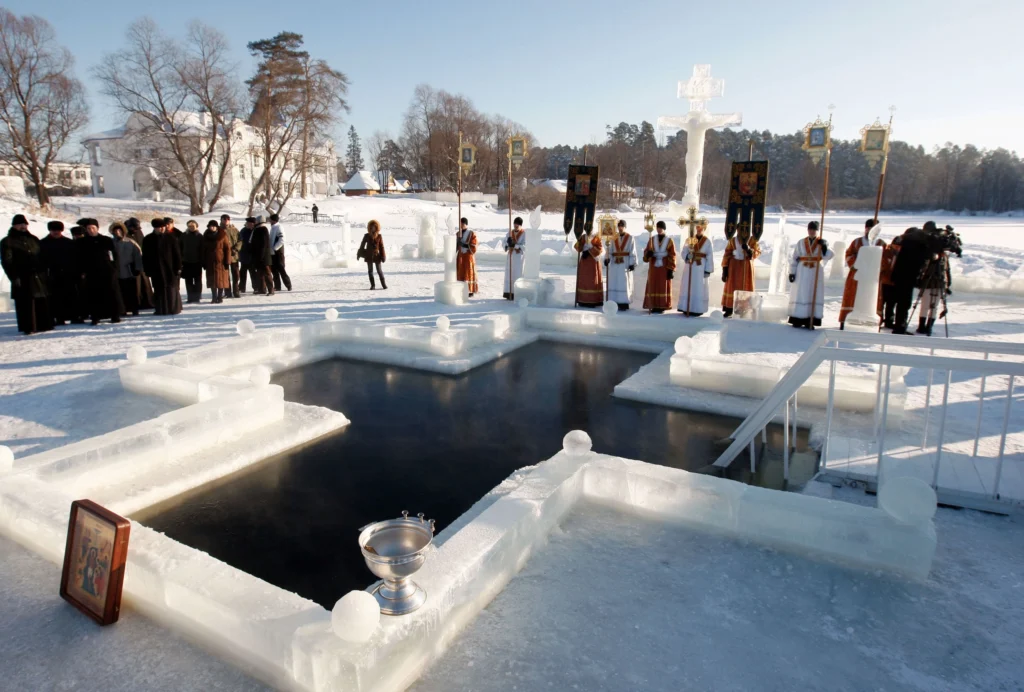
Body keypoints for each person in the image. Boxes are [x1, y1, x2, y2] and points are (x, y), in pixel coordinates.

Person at [1, 213, 52, 334]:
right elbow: (7, 261)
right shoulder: (7, 241)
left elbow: (42, 255)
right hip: (21, 276)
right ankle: (28, 327)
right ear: (14, 226)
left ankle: (43, 325)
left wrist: (44, 270)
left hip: (38, 275)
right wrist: (13, 276)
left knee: (40, 299)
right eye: (19, 224)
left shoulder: (33, 239)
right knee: (26, 302)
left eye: (24, 224)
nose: (22, 226)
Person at [838, 219, 886, 329]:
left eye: (873, 229)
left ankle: (870, 321)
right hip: (857, 274)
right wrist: (857, 264)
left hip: (872, 277)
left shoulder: (881, 244)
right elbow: (849, 254)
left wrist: (877, 267)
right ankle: (846, 319)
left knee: (870, 297)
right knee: (853, 296)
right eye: (868, 228)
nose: (870, 231)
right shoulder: (857, 242)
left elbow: (884, 260)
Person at [76, 217, 124, 325]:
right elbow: (79, 258)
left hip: (107, 272)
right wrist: (82, 271)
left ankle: (114, 315)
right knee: (94, 295)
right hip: (91, 273)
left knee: (111, 294)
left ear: (97, 228)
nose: (91, 230)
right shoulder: (81, 242)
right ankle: (95, 317)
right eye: (88, 228)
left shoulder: (106, 240)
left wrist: (114, 269)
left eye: (93, 228)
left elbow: (113, 256)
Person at [787, 221, 833, 328]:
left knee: (813, 292)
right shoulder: (801, 242)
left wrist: (825, 247)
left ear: (817, 231)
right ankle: (797, 318)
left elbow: (829, 255)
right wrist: (792, 272)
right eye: (810, 229)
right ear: (808, 230)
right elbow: (794, 257)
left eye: (814, 230)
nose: (812, 231)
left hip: (815, 269)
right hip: (802, 270)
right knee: (801, 293)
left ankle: (811, 319)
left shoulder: (821, 242)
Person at [890, 226, 933, 335]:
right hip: (908, 278)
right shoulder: (919, 246)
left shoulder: (905, 244)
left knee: (900, 303)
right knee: (904, 303)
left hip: (899, 276)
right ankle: (900, 328)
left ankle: (899, 325)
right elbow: (928, 256)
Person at [40, 221, 80, 325]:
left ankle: (74, 316)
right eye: (53, 230)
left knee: (71, 296)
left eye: (58, 230)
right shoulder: (43, 243)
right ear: (50, 230)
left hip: (68, 274)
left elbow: (75, 259)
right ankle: (59, 318)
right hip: (52, 274)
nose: (56, 232)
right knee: (55, 298)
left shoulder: (69, 243)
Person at [142, 218, 182, 315]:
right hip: (156, 269)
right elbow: (145, 256)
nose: (163, 229)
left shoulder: (171, 238)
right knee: (159, 289)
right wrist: (147, 269)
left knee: (171, 288)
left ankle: (173, 308)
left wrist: (178, 267)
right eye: (160, 227)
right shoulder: (148, 239)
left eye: (163, 227)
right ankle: (161, 309)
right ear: (155, 228)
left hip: (170, 268)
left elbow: (177, 254)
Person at [677, 222, 715, 317]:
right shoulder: (690, 240)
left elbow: (710, 256)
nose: (699, 230)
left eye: (701, 228)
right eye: (697, 228)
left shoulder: (707, 241)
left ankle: (697, 308)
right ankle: (686, 307)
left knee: (698, 287)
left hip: (700, 266)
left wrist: (708, 269)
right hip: (690, 265)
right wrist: (687, 255)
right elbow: (684, 251)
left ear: (704, 229)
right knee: (688, 286)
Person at [721, 225, 760, 317]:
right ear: (737, 230)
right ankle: (729, 308)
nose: (742, 231)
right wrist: (725, 270)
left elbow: (757, 252)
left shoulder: (752, 240)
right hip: (734, 267)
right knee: (732, 286)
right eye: (740, 229)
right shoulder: (732, 240)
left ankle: (744, 308)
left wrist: (749, 250)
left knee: (746, 286)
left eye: (745, 229)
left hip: (746, 266)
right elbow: (727, 254)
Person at [642, 221, 676, 313]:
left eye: (661, 227)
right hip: (653, 265)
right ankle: (652, 304)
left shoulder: (669, 240)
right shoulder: (652, 239)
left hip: (664, 266)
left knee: (662, 285)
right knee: (653, 283)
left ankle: (662, 305)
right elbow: (646, 252)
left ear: (664, 229)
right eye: (658, 227)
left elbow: (672, 255)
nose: (659, 229)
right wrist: (648, 254)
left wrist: (671, 269)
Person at [110, 222, 143, 316]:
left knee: (132, 292)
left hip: (129, 271)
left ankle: (134, 309)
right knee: (120, 292)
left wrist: (138, 268)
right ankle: (122, 309)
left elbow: (138, 255)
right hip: (117, 272)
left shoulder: (130, 242)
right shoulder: (111, 244)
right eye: (115, 231)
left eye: (119, 230)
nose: (117, 232)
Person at [601, 220, 636, 310]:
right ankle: (614, 301)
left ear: (625, 227)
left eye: (622, 226)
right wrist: (607, 258)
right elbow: (610, 250)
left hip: (625, 263)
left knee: (623, 282)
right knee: (614, 281)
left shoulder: (630, 238)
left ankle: (624, 303)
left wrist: (632, 263)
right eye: (619, 226)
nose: (620, 228)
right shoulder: (613, 238)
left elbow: (633, 251)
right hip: (614, 263)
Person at [124, 217, 154, 310]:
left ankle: (148, 302)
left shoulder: (139, 233)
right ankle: (137, 303)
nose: (136, 230)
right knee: (135, 284)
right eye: (134, 228)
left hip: (141, 260)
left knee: (145, 282)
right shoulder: (125, 235)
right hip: (131, 262)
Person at [573, 224, 603, 308]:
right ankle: (583, 300)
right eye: (586, 229)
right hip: (584, 261)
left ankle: (593, 301)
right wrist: (579, 242)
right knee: (584, 279)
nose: (588, 230)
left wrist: (589, 251)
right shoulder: (583, 237)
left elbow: (600, 248)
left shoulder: (596, 237)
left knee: (592, 280)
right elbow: (577, 247)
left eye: (590, 228)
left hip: (593, 261)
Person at [202, 220, 231, 303]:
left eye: (214, 226)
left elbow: (227, 249)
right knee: (212, 279)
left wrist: (227, 261)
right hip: (210, 261)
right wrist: (203, 261)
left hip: (221, 261)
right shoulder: (206, 236)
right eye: (210, 226)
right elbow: (203, 249)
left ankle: (220, 296)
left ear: (217, 227)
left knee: (221, 279)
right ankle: (214, 297)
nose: (212, 228)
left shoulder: (222, 235)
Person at [357, 219, 387, 289]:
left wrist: (383, 256)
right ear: (369, 227)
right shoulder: (366, 236)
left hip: (377, 256)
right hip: (369, 256)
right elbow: (362, 245)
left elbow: (381, 247)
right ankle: (372, 285)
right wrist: (359, 253)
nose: (373, 228)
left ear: (377, 227)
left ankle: (384, 285)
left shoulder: (379, 236)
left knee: (379, 271)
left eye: (374, 227)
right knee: (370, 271)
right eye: (371, 227)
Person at [879, 236, 901, 329]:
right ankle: (880, 319)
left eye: (898, 247)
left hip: (894, 283)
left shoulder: (901, 256)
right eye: (895, 246)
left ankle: (889, 320)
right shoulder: (886, 252)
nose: (896, 248)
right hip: (884, 282)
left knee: (891, 304)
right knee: (881, 303)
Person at [503, 217, 527, 300]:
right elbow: (504, 242)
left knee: (517, 274)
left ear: (520, 225)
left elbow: (525, 246)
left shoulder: (524, 234)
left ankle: (517, 292)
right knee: (509, 274)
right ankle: (508, 292)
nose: (516, 226)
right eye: (515, 224)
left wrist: (515, 245)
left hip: (518, 257)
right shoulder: (510, 233)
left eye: (518, 224)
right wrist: (507, 245)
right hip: (510, 256)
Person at [181, 220, 204, 303]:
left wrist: (202, 260)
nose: (191, 227)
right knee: (188, 280)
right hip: (186, 261)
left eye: (193, 226)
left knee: (198, 280)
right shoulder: (183, 235)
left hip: (197, 261)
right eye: (189, 226)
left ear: (196, 226)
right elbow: (180, 247)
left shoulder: (200, 236)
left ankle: (197, 296)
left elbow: (202, 249)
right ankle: (190, 297)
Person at [250, 217, 274, 295]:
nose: (255, 222)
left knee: (267, 273)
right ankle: (262, 289)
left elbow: (264, 244)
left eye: (256, 220)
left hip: (264, 256)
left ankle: (271, 290)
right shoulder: (256, 229)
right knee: (260, 273)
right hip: (258, 256)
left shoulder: (263, 229)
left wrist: (261, 255)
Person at [219, 213, 241, 298]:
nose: (226, 220)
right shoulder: (218, 230)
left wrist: (236, 249)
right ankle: (227, 292)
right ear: (221, 220)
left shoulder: (234, 229)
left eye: (227, 219)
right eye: (224, 219)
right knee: (225, 275)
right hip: (223, 256)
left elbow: (240, 240)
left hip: (234, 256)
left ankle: (236, 290)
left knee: (236, 274)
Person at [268, 213, 292, 292]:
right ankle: (277, 286)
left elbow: (282, 240)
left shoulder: (279, 227)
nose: (269, 221)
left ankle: (288, 285)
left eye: (270, 219)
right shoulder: (273, 227)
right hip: (273, 253)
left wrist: (275, 248)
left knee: (281, 270)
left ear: (274, 220)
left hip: (278, 253)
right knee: (274, 271)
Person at [456, 217, 478, 296]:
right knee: (460, 272)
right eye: (460, 224)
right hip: (461, 256)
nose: (461, 225)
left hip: (468, 256)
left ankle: (470, 290)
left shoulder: (471, 233)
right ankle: (460, 289)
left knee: (468, 272)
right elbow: (455, 246)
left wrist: (464, 245)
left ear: (466, 224)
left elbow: (474, 245)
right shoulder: (458, 233)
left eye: (462, 224)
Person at [238, 216, 255, 294]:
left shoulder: (255, 231)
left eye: (250, 223)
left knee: (253, 273)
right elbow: (240, 241)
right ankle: (241, 287)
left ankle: (256, 287)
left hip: (252, 256)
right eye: (247, 223)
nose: (248, 224)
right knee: (243, 272)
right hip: (244, 255)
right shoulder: (243, 231)